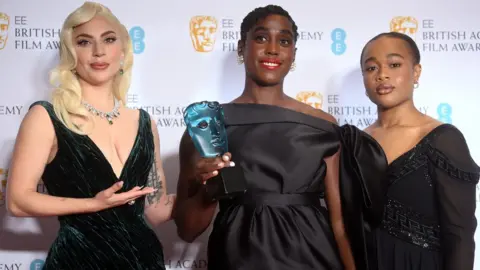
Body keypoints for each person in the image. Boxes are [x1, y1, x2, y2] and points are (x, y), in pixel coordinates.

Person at [173, 5, 388, 270]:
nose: (273, 49)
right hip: (238, 259)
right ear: (242, 47)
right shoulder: (209, 126)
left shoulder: (322, 125)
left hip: (314, 257)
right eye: (261, 38)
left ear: (293, 54)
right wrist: (208, 189)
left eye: (284, 41)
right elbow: (187, 230)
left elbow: (339, 222)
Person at [5, 2, 175, 269]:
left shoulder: (145, 122)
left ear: (123, 51)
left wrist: (202, 185)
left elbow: (156, 209)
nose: (98, 51)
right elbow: (17, 201)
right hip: (78, 260)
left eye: (108, 39)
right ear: (71, 54)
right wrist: (92, 204)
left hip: (143, 260)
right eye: (84, 42)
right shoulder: (47, 117)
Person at [360, 31, 480, 270]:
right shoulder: (357, 142)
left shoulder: (443, 139)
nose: (382, 74)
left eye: (394, 65)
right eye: (371, 68)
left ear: (416, 72)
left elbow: (460, 236)